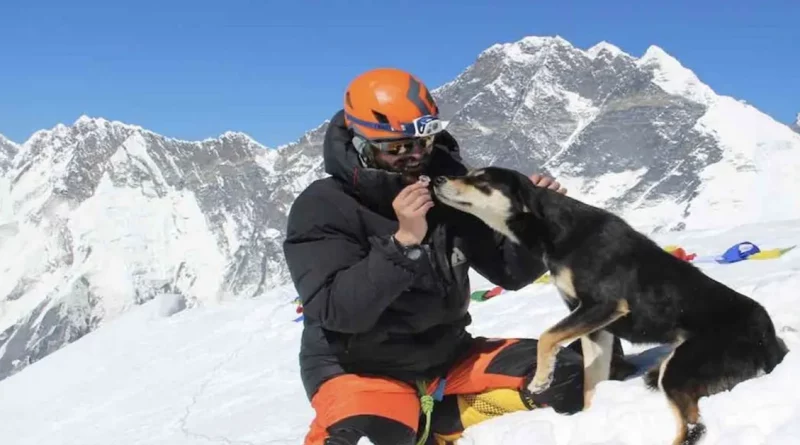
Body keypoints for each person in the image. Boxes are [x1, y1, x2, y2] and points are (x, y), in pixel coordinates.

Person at [282, 67, 635, 445]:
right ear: (361, 143)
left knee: (581, 375)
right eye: (398, 148)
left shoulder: (449, 189)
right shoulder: (323, 207)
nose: (415, 156)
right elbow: (337, 311)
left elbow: (509, 272)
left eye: (424, 142)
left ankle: (438, 421)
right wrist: (403, 244)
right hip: (359, 371)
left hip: (449, 358)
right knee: (363, 440)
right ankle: (413, 422)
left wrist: (535, 224)